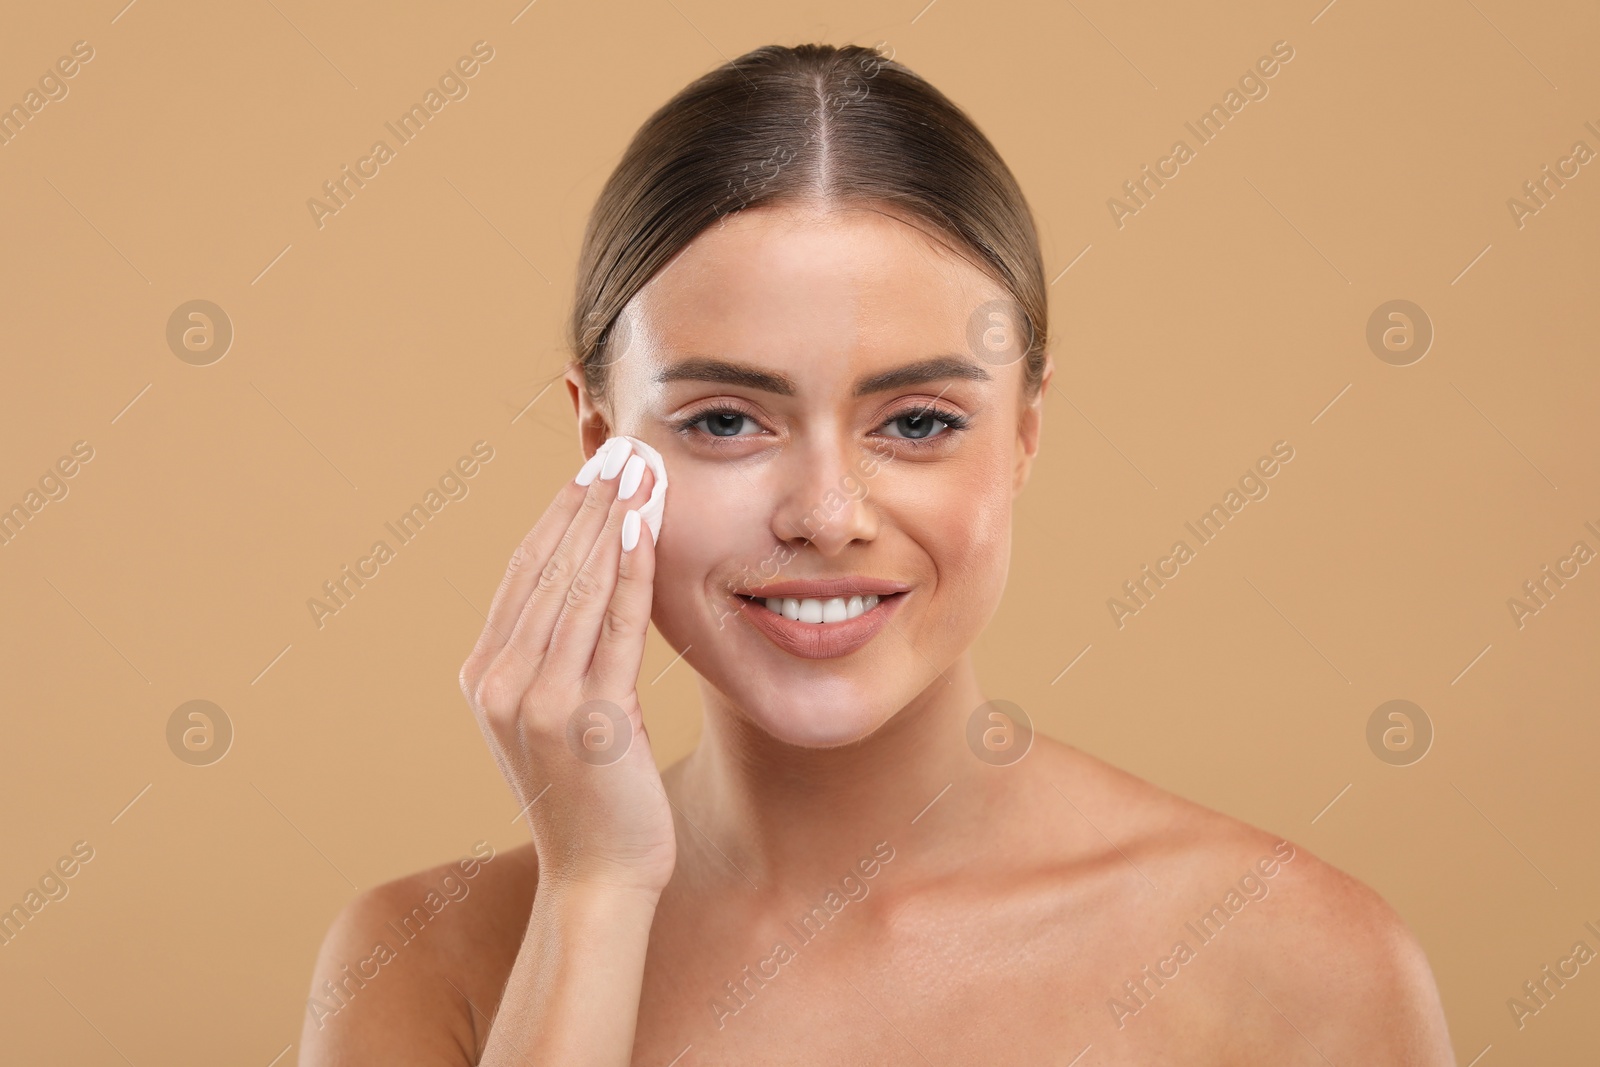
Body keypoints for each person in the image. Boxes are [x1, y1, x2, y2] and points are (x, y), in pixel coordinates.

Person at [301, 43, 1456, 1065]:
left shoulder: (1290, 961)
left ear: (1024, 435)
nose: (825, 512)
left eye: (915, 422)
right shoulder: (424, 965)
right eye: (723, 420)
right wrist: (594, 897)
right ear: (601, 445)